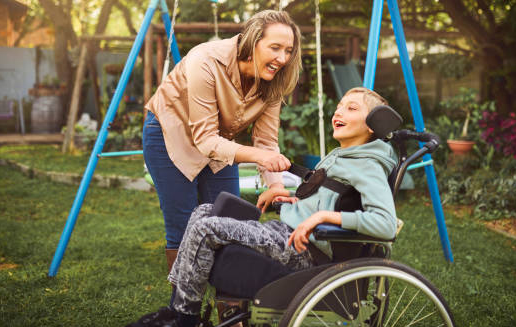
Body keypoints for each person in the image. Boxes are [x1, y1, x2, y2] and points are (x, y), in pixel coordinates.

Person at [126, 87, 398, 327]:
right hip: (288, 232)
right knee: (204, 211)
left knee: (207, 228)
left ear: (374, 124)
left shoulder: (368, 165)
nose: (339, 112)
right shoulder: (345, 155)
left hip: (304, 252)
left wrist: (322, 217)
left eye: (351, 108)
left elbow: (385, 225)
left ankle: (183, 319)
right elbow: (336, 195)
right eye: (339, 106)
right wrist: (294, 198)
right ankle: (177, 309)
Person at [142, 10, 302, 273]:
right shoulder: (205, 60)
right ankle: (183, 308)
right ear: (252, 42)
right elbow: (205, 139)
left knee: (231, 222)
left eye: (288, 50)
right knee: (184, 224)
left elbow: (266, 141)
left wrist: (274, 185)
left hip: (220, 142)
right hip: (170, 136)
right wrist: (260, 157)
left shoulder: (274, 80)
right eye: (275, 48)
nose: (282, 58)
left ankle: (231, 309)